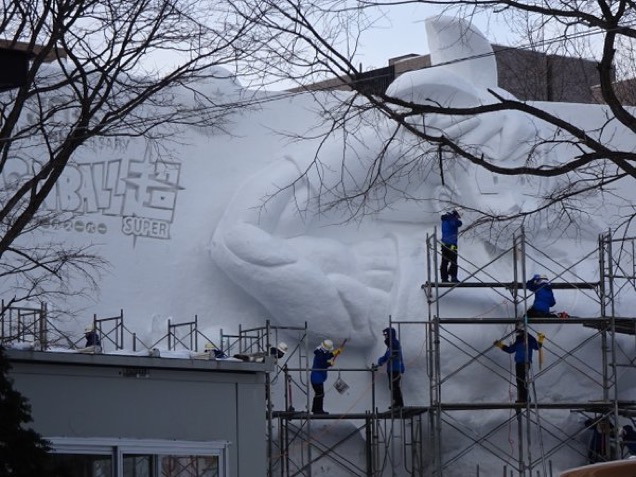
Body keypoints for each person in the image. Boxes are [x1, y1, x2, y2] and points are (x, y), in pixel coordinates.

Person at [494, 328, 544, 402]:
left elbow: (537, 347)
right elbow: (510, 350)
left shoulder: (529, 340)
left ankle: (524, 398)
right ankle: (524, 397)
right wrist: (501, 345)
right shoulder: (518, 341)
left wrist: (541, 338)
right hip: (519, 363)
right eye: (517, 334)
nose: (517, 335)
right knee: (520, 381)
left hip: (525, 363)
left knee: (521, 381)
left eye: (519, 333)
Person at [376, 327, 405, 409]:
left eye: (386, 335)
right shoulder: (389, 348)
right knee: (392, 386)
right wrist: (380, 361)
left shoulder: (395, 343)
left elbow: (394, 347)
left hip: (396, 368)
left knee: (395, 385)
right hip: (391, 369)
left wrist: (388, 340)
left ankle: (399, 403)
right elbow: (386, 357)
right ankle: (396, 403)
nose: (385, 337)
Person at [310, 339, 341, 415]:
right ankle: (318, 411)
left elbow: (327, 356)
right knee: (320, 394)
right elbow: (323, 364)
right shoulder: (320, 355)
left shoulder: (321, 351)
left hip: (317, 378)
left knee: (318, 394)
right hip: (317, 378)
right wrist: (330, 364)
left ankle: (315, 410)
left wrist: (334, 353)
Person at [440, 209, 462, 283]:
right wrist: (457, 220)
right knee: (454, 261)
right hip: (452, 244)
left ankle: (444, 278)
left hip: (444, 244)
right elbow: (459, 223)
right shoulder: (452, 219)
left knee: (444, 262)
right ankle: (454, 277)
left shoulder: (445, 219)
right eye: (457, 216)